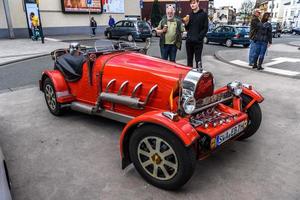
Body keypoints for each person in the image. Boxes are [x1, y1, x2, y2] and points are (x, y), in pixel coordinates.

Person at [183, 0, 208, 68]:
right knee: (189, 60)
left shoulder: (204, 14)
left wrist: (199, 38)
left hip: (198, 42)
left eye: (194, 3)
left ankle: (199, 75)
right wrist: (186, 23)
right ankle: (190, 76)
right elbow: (187, 29)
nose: (192, 5)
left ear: (198, 3)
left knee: (198, 60)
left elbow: (205, 28)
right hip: (189, 42)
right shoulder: (189, 15)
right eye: (191, 3)